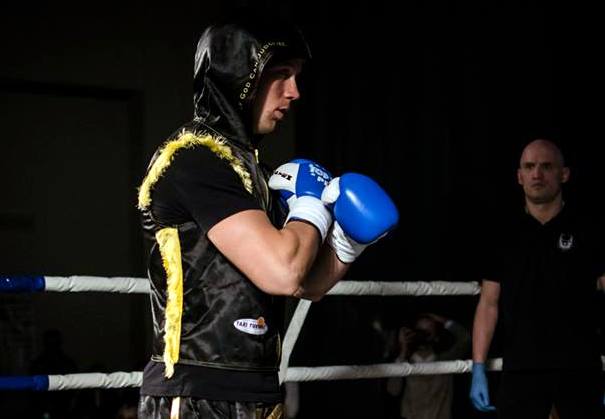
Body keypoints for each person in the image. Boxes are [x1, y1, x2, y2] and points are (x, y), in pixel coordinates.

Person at [135, 16, 398, 419]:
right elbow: (283, 272)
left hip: (258, 388)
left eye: (296, 77)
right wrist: (309, 204)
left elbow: (306, 283)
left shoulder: (254, 173)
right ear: (239, 77)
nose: (294, 92)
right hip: (197, 390)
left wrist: (346, 243)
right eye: (281, 75)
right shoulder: (194, 159)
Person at [470, 139, 605, 419]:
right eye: (529, 167)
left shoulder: (589, 229)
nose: (537, 174)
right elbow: (488, 304)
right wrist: (478, 367)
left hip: (580, 367)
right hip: (522, 368)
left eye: (546, 166)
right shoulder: (503, 233)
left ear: (564, 174)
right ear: (519, 176)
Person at [387, 313, 470, 419]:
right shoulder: (405, 363)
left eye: (427, 332)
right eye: (419, 331)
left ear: (436, 337)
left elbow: (465, 339)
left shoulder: (446, 361)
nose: (422, 336)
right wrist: (403, 350)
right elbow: (393, 390)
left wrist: (443, 321)